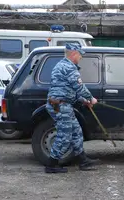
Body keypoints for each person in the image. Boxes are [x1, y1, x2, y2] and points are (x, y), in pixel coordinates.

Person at [44, 43, 99, 173]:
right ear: (74, 53)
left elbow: (68, 90)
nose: (80, 57)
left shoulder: (63, 66)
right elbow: (79, 87)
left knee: (76, 132)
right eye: (80, 54)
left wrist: (84, 101)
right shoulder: (68, 67)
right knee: (65, 136)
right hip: (60, 106)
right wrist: (91, 99)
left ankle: (83, 161)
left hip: (63, 104)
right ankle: (51, 165)